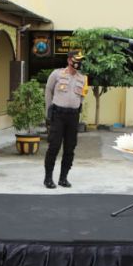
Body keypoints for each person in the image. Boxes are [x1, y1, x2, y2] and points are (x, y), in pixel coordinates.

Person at [43, 50, 88, 189]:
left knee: (70, 148)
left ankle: (63, 178)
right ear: (69, 60)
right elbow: (48, 91)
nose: (78, 63)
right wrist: (49, 110)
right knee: (54, 146)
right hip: (58, 115)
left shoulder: (83, 78)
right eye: (76, 60)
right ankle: (48, 178)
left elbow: (82, 97)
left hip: (73, 116)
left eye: (80, 60)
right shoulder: (56, 74)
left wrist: (76, 108)